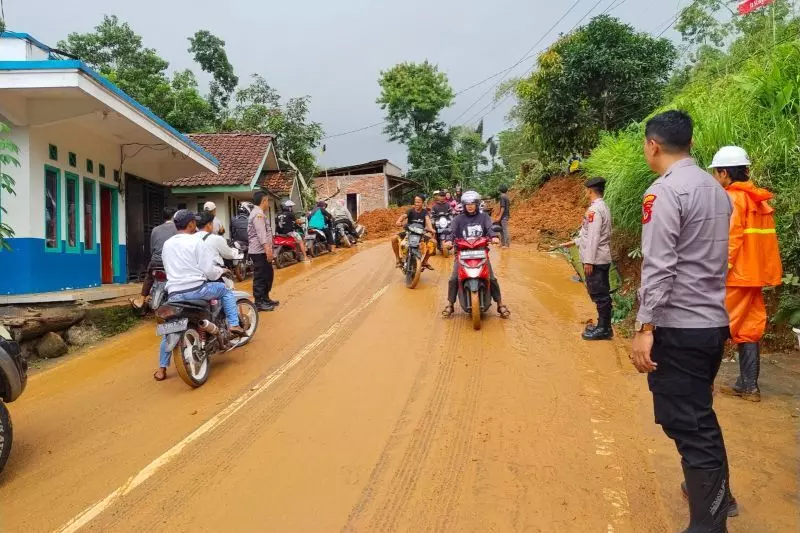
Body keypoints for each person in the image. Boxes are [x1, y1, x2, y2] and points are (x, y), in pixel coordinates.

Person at [632, 110, 736, 531]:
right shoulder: (716, 189)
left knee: (689, 424)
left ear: (652, 145)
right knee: (699, 415)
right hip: (711, 324)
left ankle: (708, 524)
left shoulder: (665, 192)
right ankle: (718, 498)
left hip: (680, 326)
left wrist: (645, 327)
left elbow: (659, 266)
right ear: (690, 143)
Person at [709, 146, 782, 403]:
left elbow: (730, 240)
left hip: (736, 277)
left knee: (717, 325)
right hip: (755, 277)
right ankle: (748, 385)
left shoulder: (732, 199)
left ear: (725, 173)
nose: (715, 178)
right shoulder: (758, 200)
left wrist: (718, 272)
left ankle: (703, 383)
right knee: (749, 329)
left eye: (716, 173)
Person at [153, 210, 244, 381]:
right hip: (197, 289)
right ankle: (234, 324)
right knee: (225, 290)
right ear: (191, 224)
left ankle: (162, 368)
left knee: (170, 327)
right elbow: (209, 271)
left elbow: (167, 267)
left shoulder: (167, 244)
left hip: (174, 294)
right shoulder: (196, 242)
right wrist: (222, 271)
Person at [554, 177, 613, 340]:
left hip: (596, 259)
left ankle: (604, 329)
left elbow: (594, 237)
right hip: (600, 257)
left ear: (590, 191)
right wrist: (574, 242)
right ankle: (603, 325)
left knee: (600, 294)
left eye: (586, 190)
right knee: (600, 293)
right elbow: (590, 235)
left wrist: (588, 261)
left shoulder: (594, 210)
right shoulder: (603, 206)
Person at [441, 191, 510, 319]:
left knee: (491, 278)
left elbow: (490, 228)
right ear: (464, 205)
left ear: (477, 204)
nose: (470, 206)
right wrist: (449, 240)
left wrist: (494, 237)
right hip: (462, 253)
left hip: (481, 252)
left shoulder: (484, 217)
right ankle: (450, 304)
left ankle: (500, 304)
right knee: (454, 279)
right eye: (467, 204)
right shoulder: (458, 219)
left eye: (473, 203)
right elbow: (452, 231)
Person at [132, 206, 177, 309]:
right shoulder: (178, 229)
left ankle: (141, 299)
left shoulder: (155, 229)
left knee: (149, 276)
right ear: (175, 216)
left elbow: (152, 249)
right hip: (172, 262)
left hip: (156, 262)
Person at [249, 191, 279, 312]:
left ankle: (265, 298)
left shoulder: (260, 213)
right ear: (264, 201)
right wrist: (268, 250)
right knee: (261, 276)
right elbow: (261, 234)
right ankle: (259, 302)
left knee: (268, 274)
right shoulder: (258, 214)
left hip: (262, 250)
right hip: (259, 251)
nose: (268, 204)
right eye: (267, 201)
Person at [391, 195, 435, 270]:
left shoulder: (425, 212)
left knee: (434, 242)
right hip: (409, 232)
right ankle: (398, 259)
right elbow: (403, 216)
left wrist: (431, 229)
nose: (416, 204)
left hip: (420, 233)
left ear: (423, 203)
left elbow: (427, 220)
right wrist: (399, 221)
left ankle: (425, 261)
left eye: (418, 202)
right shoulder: (410, 210)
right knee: (394, 238)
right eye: (415, 202)